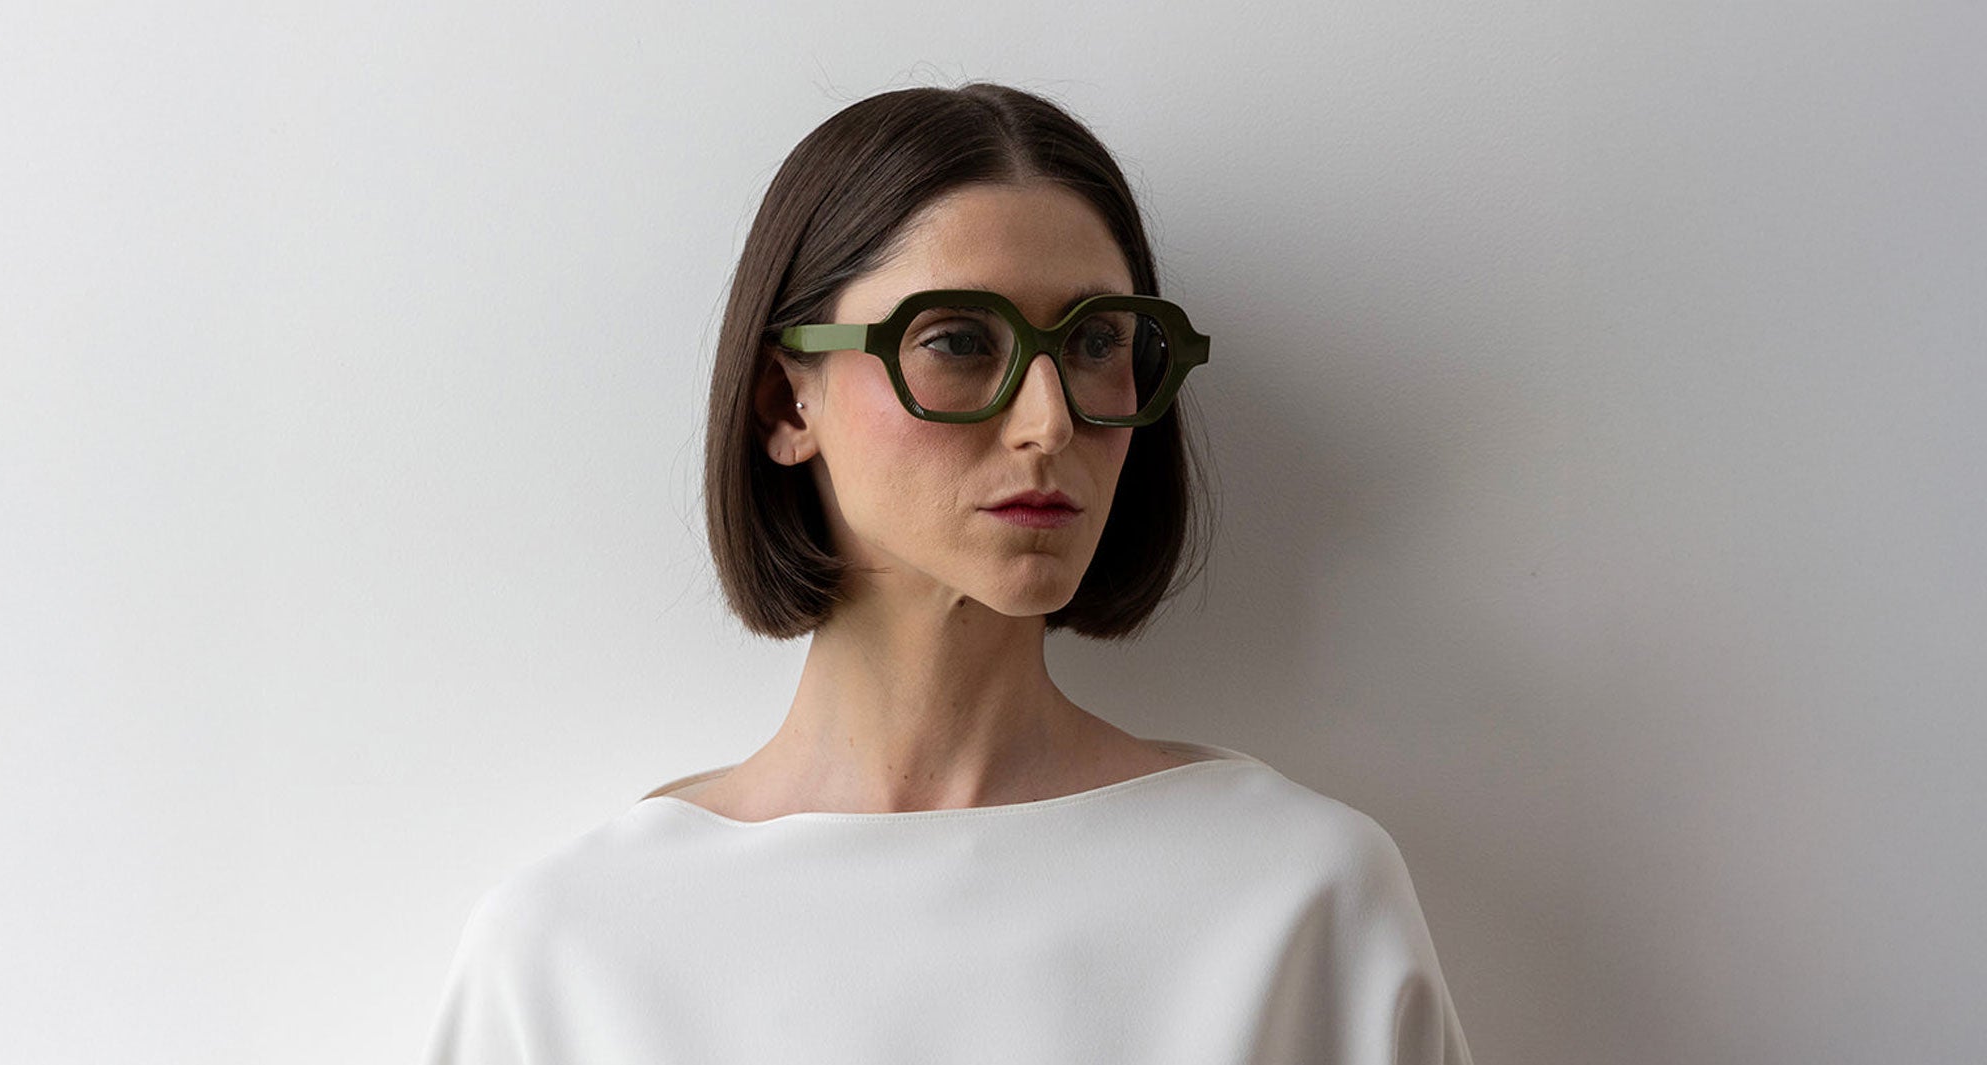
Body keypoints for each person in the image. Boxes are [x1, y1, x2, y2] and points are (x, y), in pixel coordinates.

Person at [422, 81, 1473, 1064]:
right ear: (788, 405)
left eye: (1097, 338)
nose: (1050, 418)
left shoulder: (1296, 896)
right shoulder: (577, 948)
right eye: (960, 340)